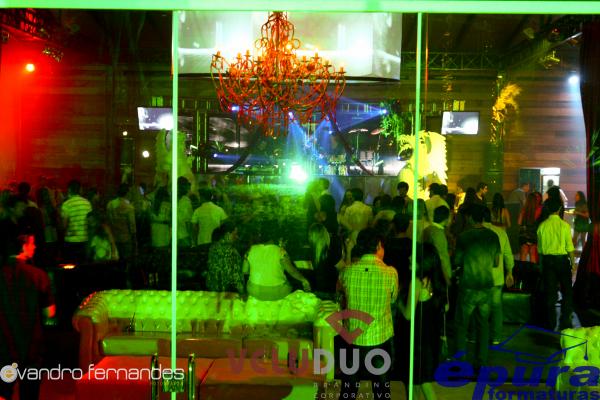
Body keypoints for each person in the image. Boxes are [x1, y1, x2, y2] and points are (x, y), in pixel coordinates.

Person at [337, 227, 398, 400]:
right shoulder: (390, 273)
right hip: (380, 341)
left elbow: (341, 294)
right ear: (378, 246)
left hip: (353, 341)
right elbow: (393, 299)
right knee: (381, 392)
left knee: (348, 391)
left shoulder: (347, 272)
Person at [0, 235, 55, 400]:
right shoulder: (38, 275)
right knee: (29, 391)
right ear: (23, 246)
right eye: (32, 243)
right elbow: (50, 312)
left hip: (4, 345)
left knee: (3, 390)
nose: (35, 247)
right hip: (31, 345)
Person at [453, 204, 501, 369]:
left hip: (468, 286)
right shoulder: (493, 236)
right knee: (483, 325)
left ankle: (460, 361)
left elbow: (457, 260)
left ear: (471, 218)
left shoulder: (464, 237)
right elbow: (496, 262)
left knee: (462, 325)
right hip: (486, 285)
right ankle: (482, 360)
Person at [397, 243, 444, 400]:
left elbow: (408, 315)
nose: (409, 257)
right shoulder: (436, 281)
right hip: (429, 341)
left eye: (414, 256)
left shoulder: (416, 283)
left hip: (415, 343)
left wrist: (397, 301)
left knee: (416, 385)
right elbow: (446, 307)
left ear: (423, 261)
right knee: (420, 383)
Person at [243, 226, 310, 301]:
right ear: (275, 236)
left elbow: (245, 271)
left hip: (254, 291)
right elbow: (292, 271)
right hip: (277, 292)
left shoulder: (250, 250)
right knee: (290, 285)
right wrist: (304, 280)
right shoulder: (281, 251)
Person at [537, 199, 575, 331]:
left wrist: (541, 265)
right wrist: (573, 263)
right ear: (559, 209)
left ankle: (550, 323)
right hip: (562, 261)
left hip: (548, 262)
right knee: (567, 291)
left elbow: (540, 250)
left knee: (550, 293)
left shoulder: (542, 226)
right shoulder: (565, 226)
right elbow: (569, 247)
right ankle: (565, 320)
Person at [482, 207, 515, 344]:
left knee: (479, 307)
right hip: (497, 276)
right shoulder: (501, 232)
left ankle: (476, 336)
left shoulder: (473, 233)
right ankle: (495, 337)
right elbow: (508, 254)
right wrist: (509, 272)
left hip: (479, 276)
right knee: (496, 307)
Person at [206, 221, 244, 294]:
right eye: (235, 234)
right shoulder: (231, 251)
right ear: (227, 234)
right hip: (227, 291)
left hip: (212, 289)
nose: (237, 237)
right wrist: (242, 291)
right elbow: (236, 275)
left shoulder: (213, 247)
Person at [61, 180, 93, 264]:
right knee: (83, 265)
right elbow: (90, 222)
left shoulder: (66, 204)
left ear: (69, 190)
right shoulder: (87, 203)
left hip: (70, 240)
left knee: (71, 265)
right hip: (84, 239)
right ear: (80, 189)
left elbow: (64, 225)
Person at [307, 223, 342, 296]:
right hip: (330, 292)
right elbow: (345, 269)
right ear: (325, 235)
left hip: (315, 291)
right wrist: (348, 251)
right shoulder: (331, 252)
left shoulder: (310, 253)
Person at [423, 206, 452, 287]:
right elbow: (441, 258)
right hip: (439, 277)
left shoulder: (427, 230)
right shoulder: (438, 234)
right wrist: (447, 279)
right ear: (446, 219)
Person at [518, 193, 541, 263]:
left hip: (524, 235)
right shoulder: (538, 211)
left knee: (523, 254)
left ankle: (522, 269)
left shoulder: (523, 211)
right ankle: (532, 270)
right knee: (532, 254)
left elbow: (519, 222)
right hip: (534, 235)